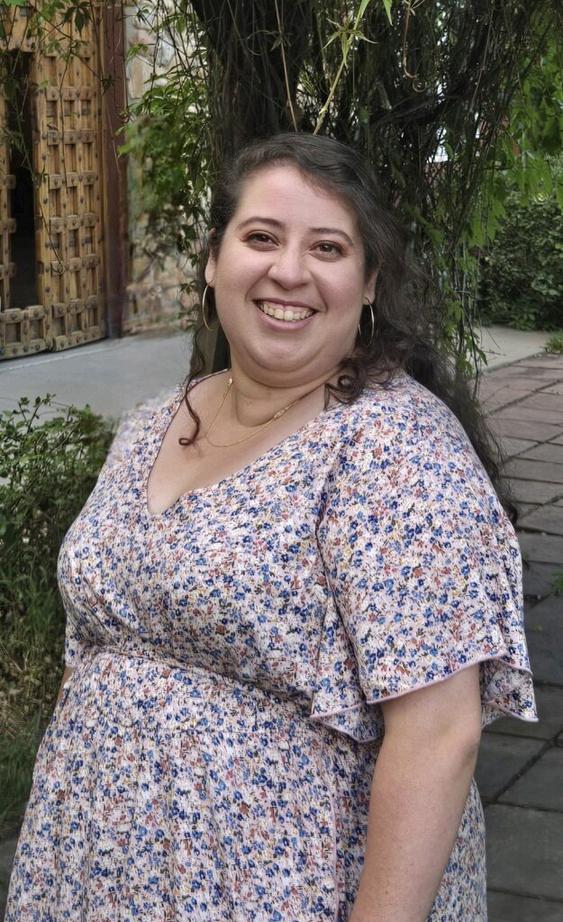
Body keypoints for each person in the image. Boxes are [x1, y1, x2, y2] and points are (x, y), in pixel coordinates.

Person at [7, 133, 537, 922]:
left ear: (367, 283)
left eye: (326, 247)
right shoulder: (153, 424)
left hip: (283, 889)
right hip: (88, 870)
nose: (288, 271)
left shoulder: (395, 451)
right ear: (213, 260)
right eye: (261, 237)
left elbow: (438, 736)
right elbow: (98, 642)